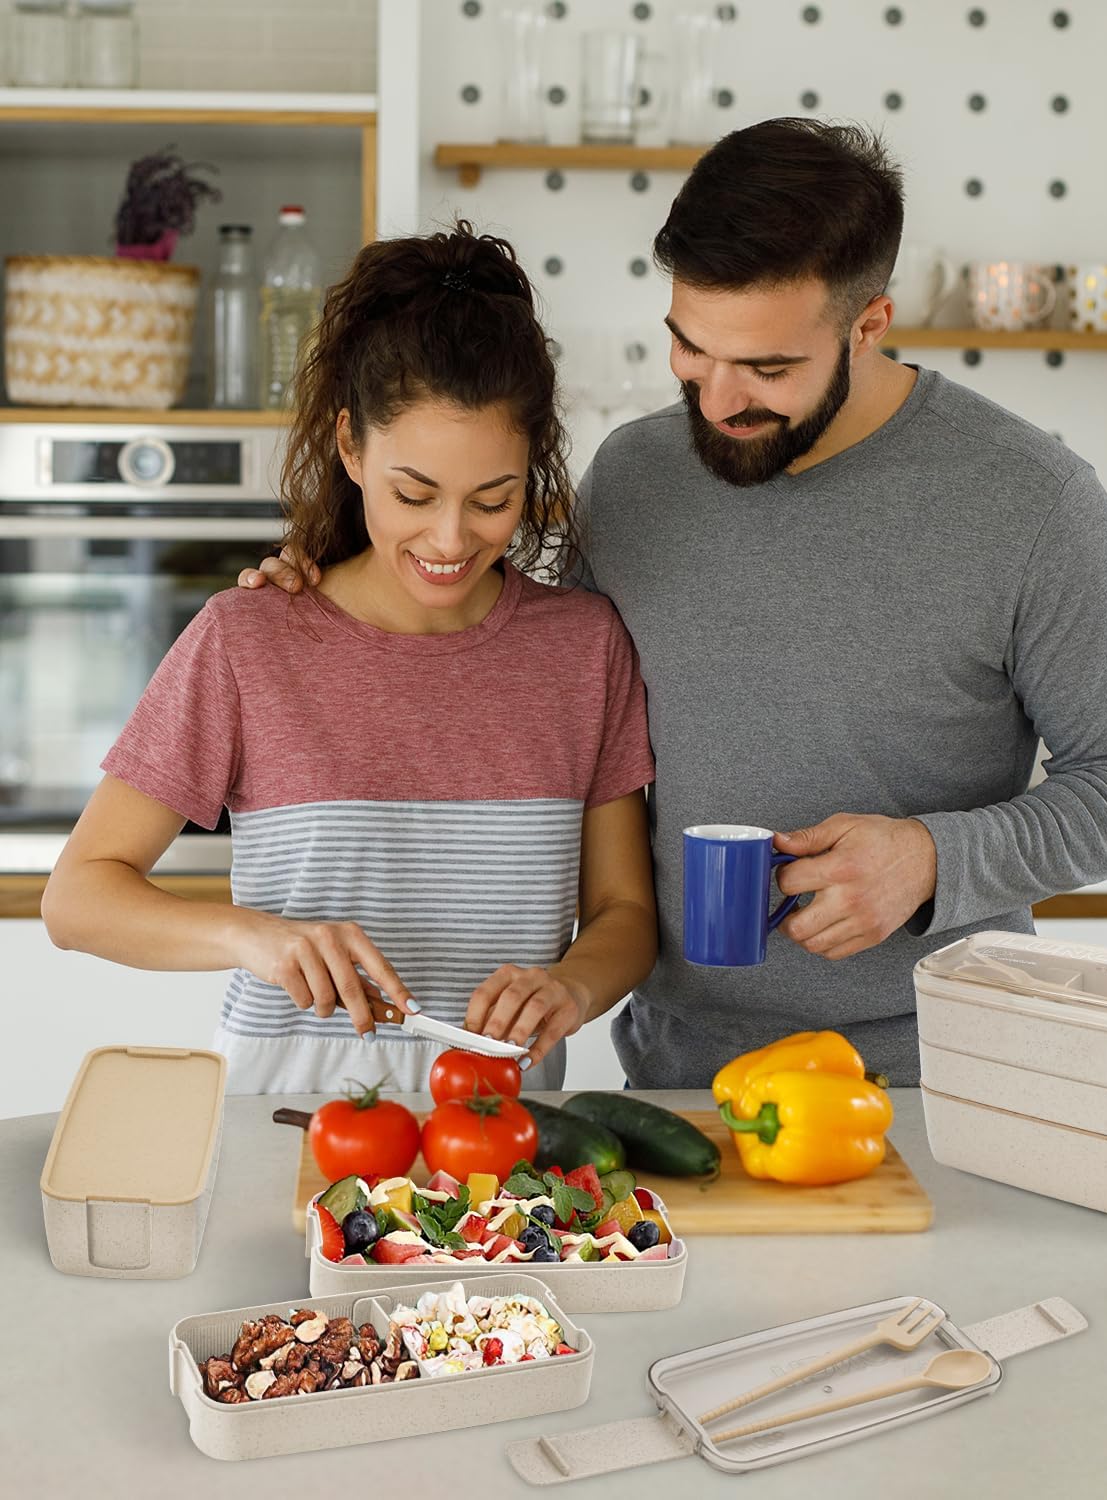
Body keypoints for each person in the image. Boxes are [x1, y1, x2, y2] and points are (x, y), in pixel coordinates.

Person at [243, 119, 1107, 1090]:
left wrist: (933, 858)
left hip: (933, 1078)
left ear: (869, 325)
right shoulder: (638, 474)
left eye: (769, 369)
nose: (719, 400)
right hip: (680, 1080)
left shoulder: (1031, 501)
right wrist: (331, 593)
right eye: (691, 348)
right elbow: (534, 673)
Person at [42, 224, 657, 1094]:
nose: (451, 539)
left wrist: (573, 985)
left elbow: (624, 913)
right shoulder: (249, 639)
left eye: (493, 500)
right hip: (277, 1124)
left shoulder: (583, 650)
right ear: (350, 446)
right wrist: (253, 936)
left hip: (498, 1135)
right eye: (414, 494)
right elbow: (76, 900)